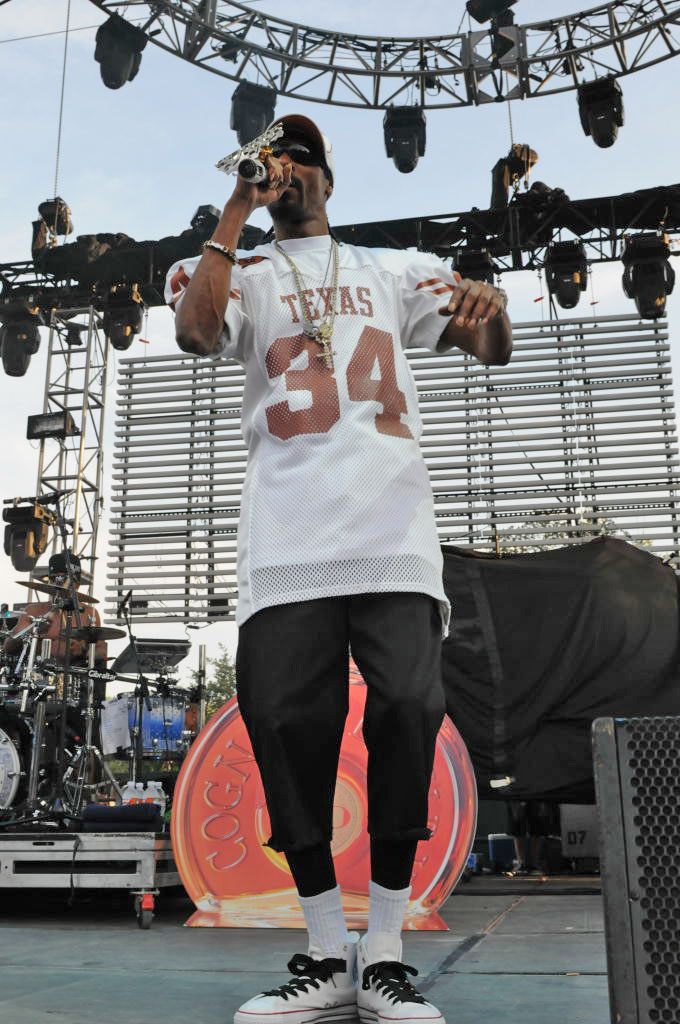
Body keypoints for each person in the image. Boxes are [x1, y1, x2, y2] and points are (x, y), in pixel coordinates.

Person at [165, 113, 512, 1024]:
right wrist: (235, 206)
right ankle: (326, 951)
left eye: (303, 158)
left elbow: (492, 349)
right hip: (289, 542)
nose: (288, 169)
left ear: (329, 177)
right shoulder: (235, 266)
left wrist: (492, 309)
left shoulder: (392, 270)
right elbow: (197, 335)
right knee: (286, 725)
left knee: (409, 707)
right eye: (273, 158)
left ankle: (385, 949)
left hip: (392, 532)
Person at [4, 552, 107, 678]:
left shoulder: (89, 613)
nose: (60, 583)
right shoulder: (33, 611)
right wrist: (33, 630)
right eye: (55, 578)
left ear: (77, 584)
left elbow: (101, 651)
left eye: (65, 579)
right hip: (37, 679)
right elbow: (8, 646)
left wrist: (86, 651)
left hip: (73, 679)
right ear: (49, 581)